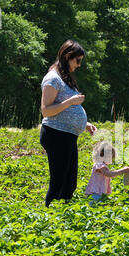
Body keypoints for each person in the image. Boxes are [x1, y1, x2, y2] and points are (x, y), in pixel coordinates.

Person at [40, 40, 97, 207]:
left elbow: (65, 110)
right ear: (67, 57)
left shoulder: (65, 79)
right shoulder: (52, 79)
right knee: (59, 181)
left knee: (70, 182)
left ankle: (65, 218)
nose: (79, 65)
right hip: (55, 134)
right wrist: (72, 102)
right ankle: (50, 216)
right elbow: (46, 110)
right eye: (77, 60)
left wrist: (85, 123)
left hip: (68, 135)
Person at [85, 141, 129, 205]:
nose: (111, 160)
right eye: (111, 158)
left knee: (101, 209)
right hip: (95, 193)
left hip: (100, 193)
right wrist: (122, 170)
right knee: (95, 209)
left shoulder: (102, 165)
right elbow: (108, 174)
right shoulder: (99, 164)